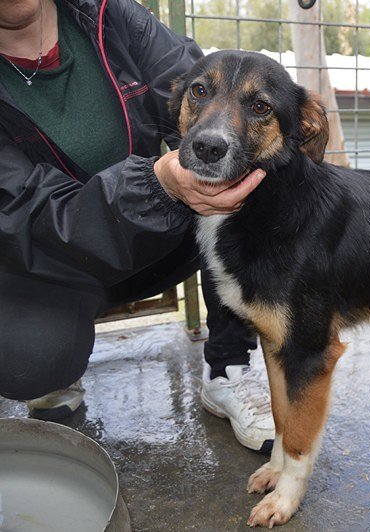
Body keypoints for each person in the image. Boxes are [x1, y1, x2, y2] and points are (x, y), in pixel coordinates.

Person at [0, 0, 275, 453]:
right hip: (51, 264)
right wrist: (156, 184)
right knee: (25, 356)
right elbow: (21, 214)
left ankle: (228, 369)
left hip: (160, 235)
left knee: (239, 183)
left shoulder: (110, 16)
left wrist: (205, 166)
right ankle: (56, 377)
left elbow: (203, 88)